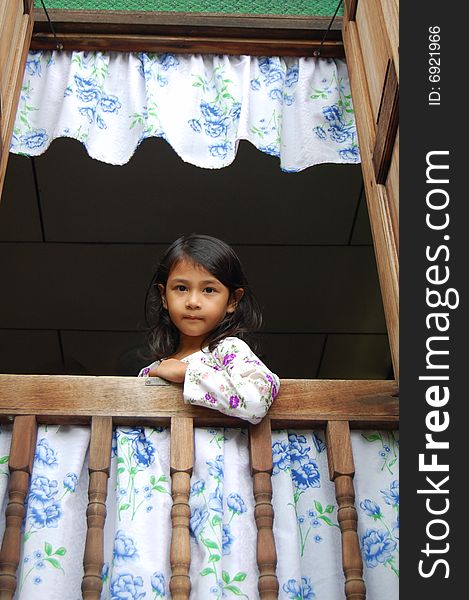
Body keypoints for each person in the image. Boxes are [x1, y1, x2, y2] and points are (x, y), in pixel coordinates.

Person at [139, 233, 279, 423]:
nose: (193, 302)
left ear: (232, 300)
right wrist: (151, 374)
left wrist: (186, 373)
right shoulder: (157, 367)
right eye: (181, 288)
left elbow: (257, 400)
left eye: (209, 290)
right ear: (164, 296)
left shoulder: (228, 349)